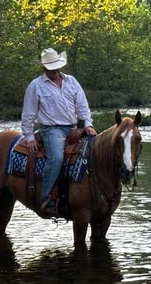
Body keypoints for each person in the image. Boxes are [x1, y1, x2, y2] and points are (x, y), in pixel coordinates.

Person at [21, 48, 96, 216]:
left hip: (73, 127)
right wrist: (30, 136)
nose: (54, 71)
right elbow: (28, 113)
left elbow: (82, 106)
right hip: (51, 129)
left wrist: (87, 125)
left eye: (56, 67)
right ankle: (46, 198)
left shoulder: (72, 82)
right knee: (56, 158)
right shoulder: (36, 86)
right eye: (51, 68)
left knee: (95, 150)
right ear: (44, 68)